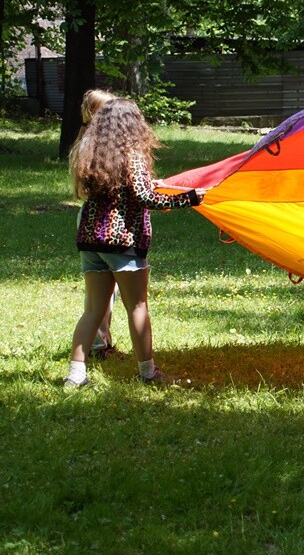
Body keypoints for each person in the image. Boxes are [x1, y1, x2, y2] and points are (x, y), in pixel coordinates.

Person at [64, 97, 206, 388]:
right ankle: (148, 373)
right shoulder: (132, 154)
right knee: (137, 306)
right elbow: (145, 198)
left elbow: (119, 191)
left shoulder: (92, 152)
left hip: (91, 239)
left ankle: (75, 376)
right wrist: (189, 199)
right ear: (133, 124)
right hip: (122, 242)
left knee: (93, 310)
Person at [77, 89, 120, 359]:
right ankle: (98, 346)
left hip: (92, 219)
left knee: (105, 291)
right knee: (101, 294)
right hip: (102, 220)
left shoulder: (89, 142)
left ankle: (99, 345)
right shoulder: (98, 146)